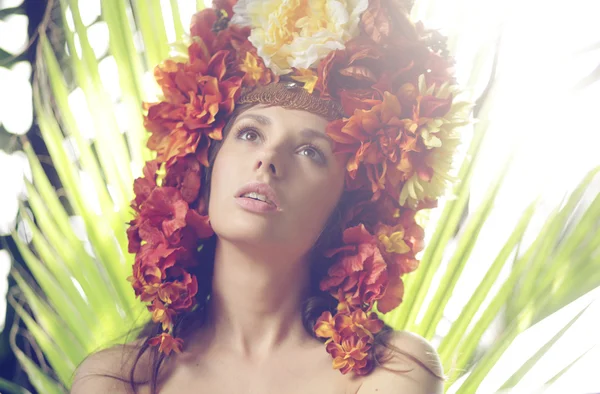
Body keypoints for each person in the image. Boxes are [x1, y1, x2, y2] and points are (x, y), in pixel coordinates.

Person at [70, 0, 466, 392]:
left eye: (310, 151)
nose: (268, 159)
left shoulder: (392, 371)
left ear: (346, 212)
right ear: (203, 173)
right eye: (249, 134)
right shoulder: (118, 379)